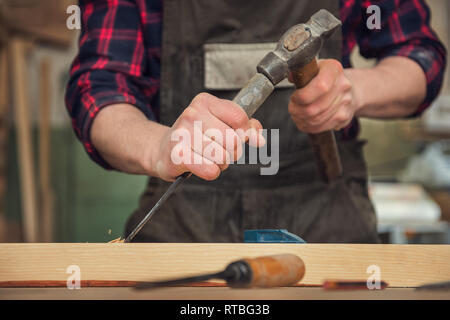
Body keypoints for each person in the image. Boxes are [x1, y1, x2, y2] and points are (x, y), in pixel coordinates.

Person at [65, 0, 446, 243]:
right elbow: (98, 87)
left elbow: (420, 56)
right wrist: (160, 146)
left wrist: (355, 89)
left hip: (327, 211)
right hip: (184, 215)